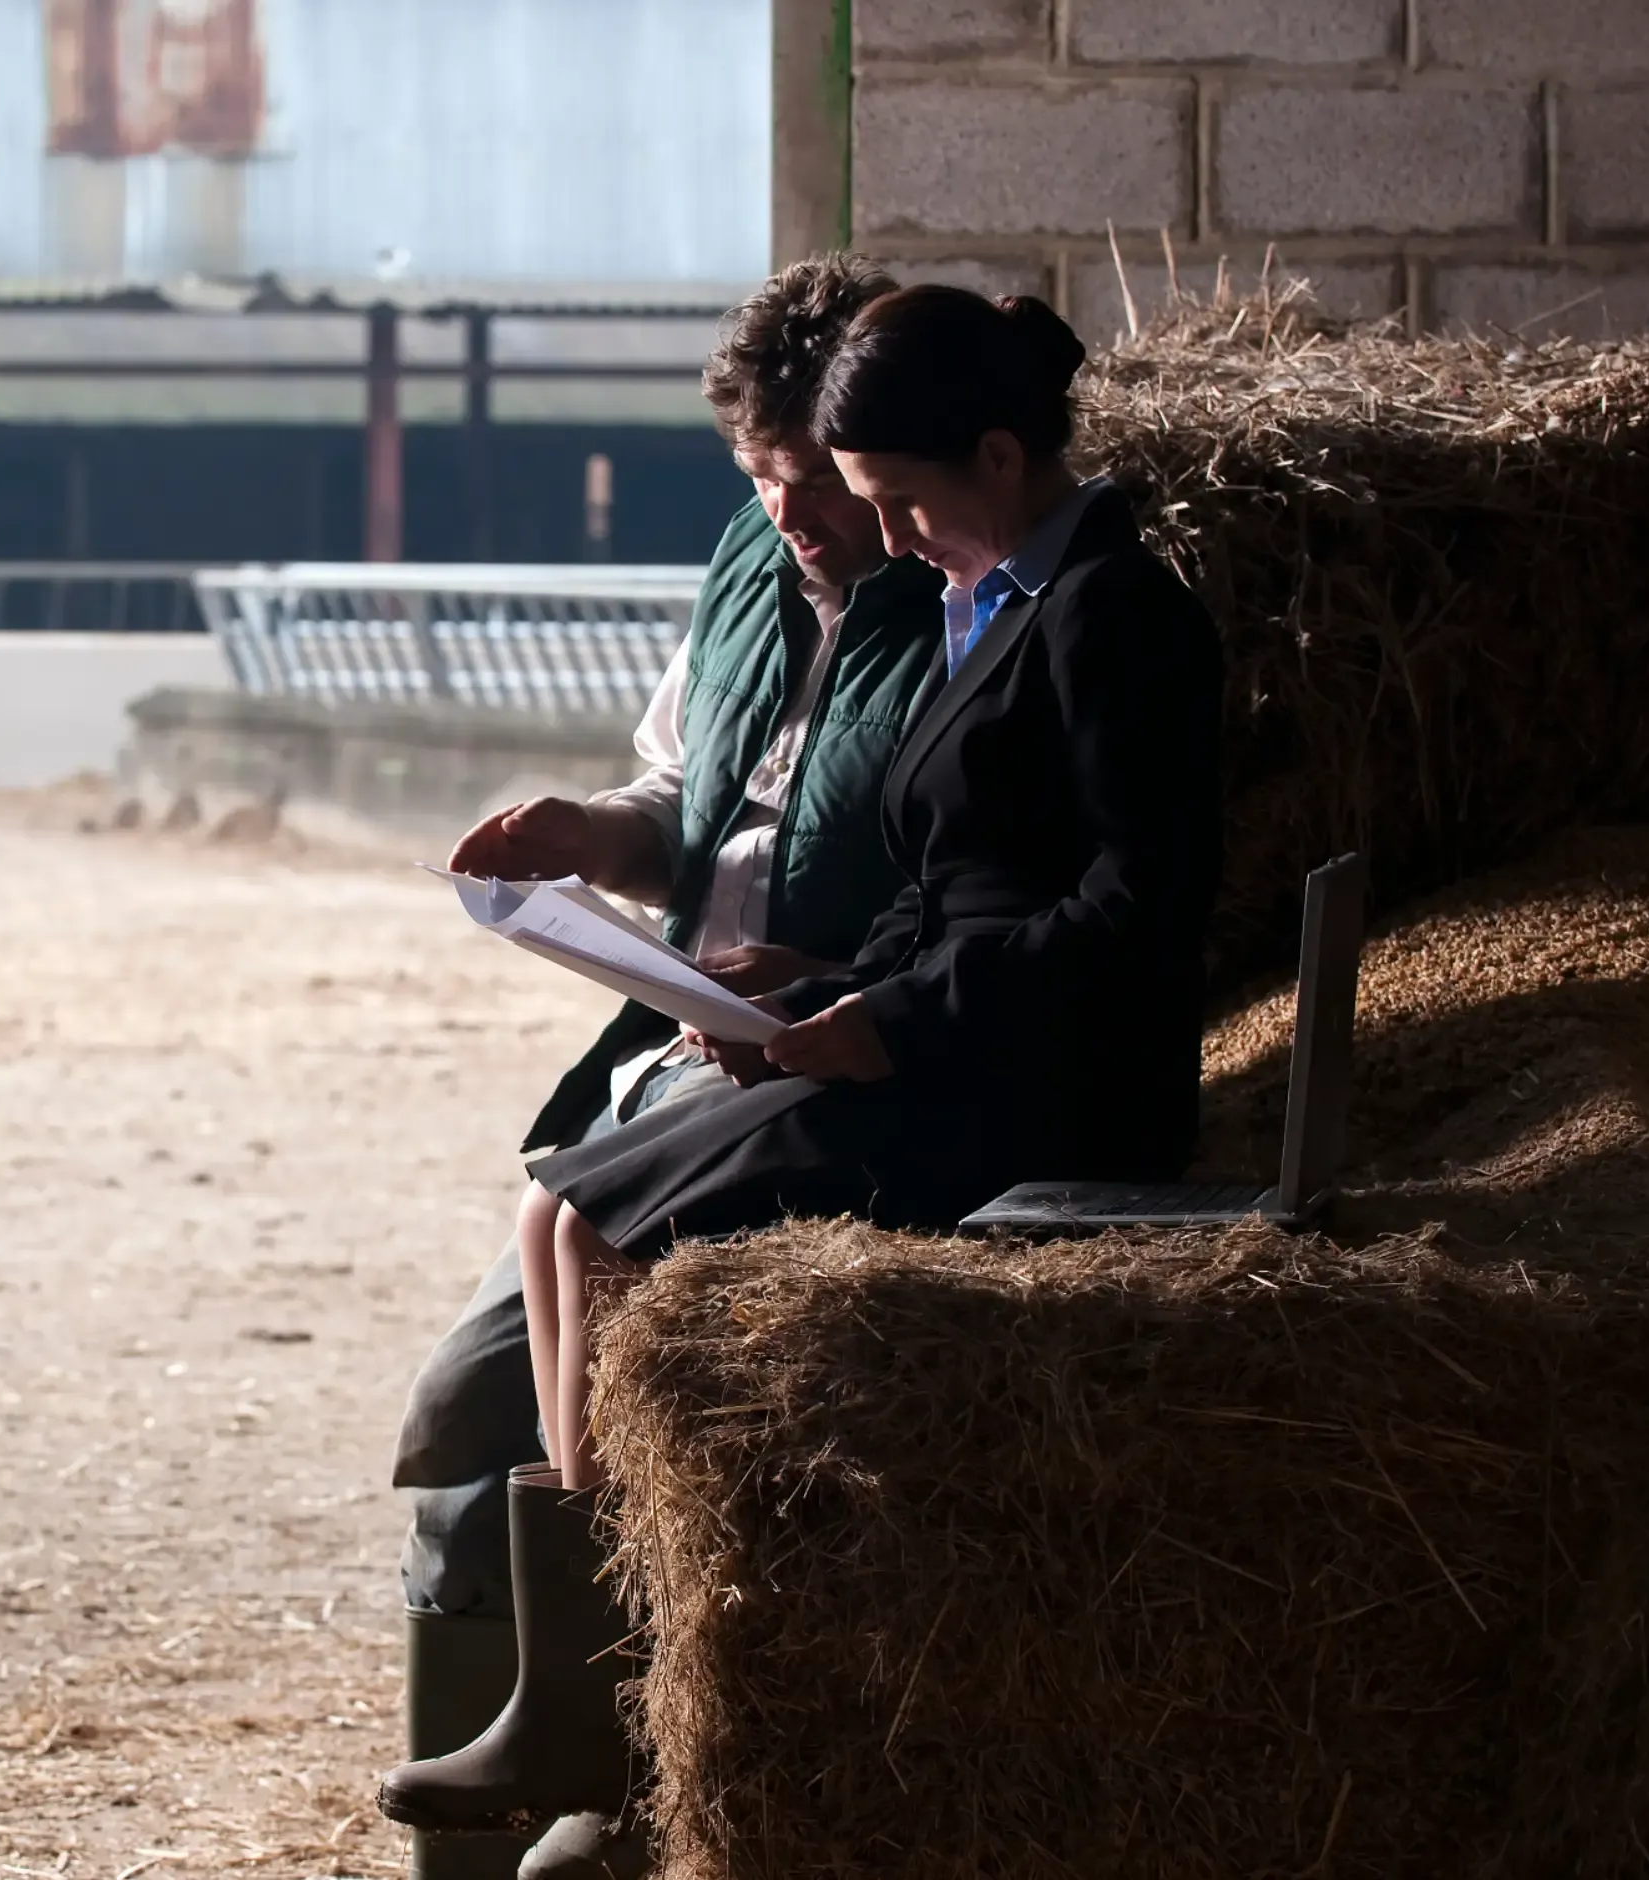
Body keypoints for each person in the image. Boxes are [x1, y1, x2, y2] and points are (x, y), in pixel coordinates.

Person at [378, 286, 1223, 1844]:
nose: (877, 535)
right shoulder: (1003, 599)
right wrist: (828, 977)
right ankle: (576, 1694)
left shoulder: (1114, 613)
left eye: (889, 497)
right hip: (945, 1029)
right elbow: (949, 880)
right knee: (562, 1210)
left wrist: (893, 1019)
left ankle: (621, 1709)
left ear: (992, 452)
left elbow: (1136, 909)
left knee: (613, 1240)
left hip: (1032, 1080)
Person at [387, 256, 950, 1880]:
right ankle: (538, 1760)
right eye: (761, 482)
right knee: (455, 1409)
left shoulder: (968, 607)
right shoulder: (749, 581)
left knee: (571, 1372)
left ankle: (627, 1782)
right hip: (675, 1035)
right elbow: (684, 810)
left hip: (806, 1044)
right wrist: (594, 838)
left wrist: (830, 990)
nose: (794, 518)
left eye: (815, 483)